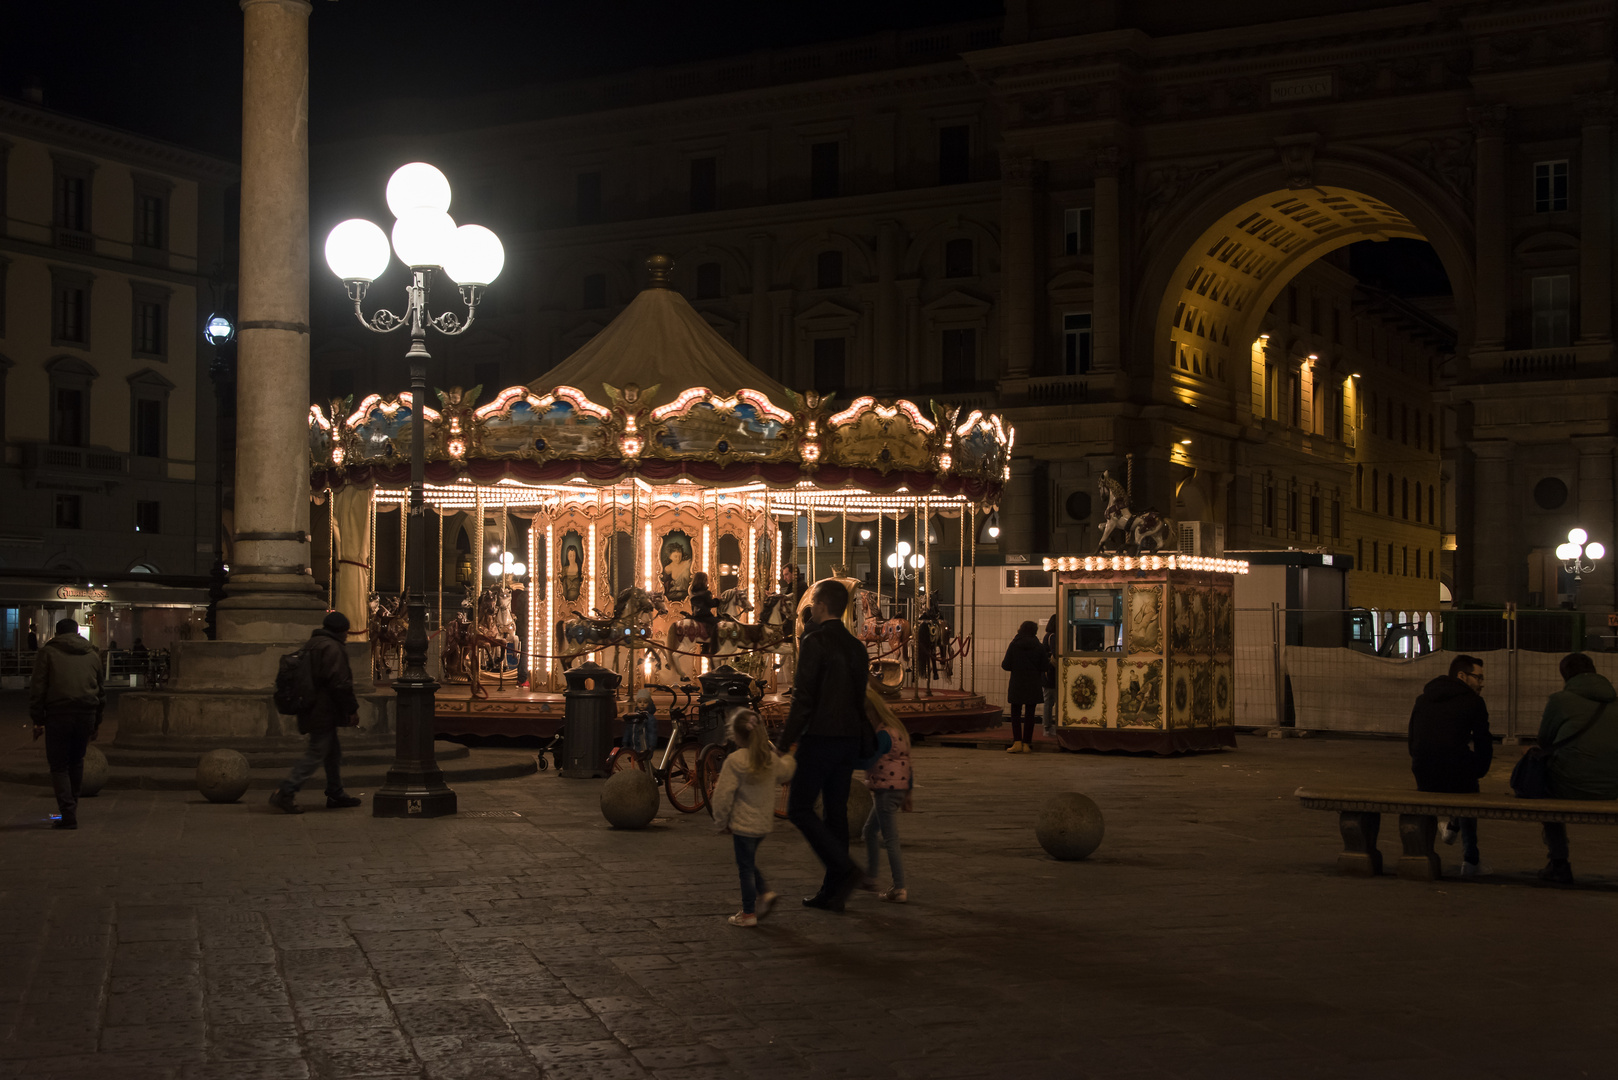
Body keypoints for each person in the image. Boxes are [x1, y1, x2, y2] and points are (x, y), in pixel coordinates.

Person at [781, 578, 870, 911]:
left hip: (820, 736)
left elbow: (803, 698)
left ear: (820, 605)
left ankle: (844, 870)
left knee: (799, 808)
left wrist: (784, 740)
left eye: (813, 603)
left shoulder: (815, 642)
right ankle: (833, 892)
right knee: (836, 814)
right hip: (848, 738)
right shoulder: (856, 647)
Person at [269, 612, 364, 814]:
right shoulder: (332, 647)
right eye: (346, 631)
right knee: (316, 752)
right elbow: (340, 683)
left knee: (332, 753)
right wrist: (351, 709)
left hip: (311, 707)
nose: (347, 635)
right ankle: (286, 791)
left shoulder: (313, 644)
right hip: (323, 710)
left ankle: (336, 793)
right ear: (340, 630)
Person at [1535, 652, 1618, 884]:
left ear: (1566, 676)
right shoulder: (1614, 701)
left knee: (1543, 787)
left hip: (1570, 785)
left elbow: (1545, 740)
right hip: (1613, 786)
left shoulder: (1560, 701)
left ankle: (1559, 862)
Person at [710, 708, 797, 927]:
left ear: (736, 735)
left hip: (742, 823)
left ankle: (749, 913)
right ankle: (764, 894)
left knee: (745, 868)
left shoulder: (735, 760)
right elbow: (786, 771)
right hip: (763, 824)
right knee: (748, 862)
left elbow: (722, 795)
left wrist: (721, 821)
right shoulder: (767, 759)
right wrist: (788, 755)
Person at [1407, 653, 1493, 875]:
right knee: (1468, 790)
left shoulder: (1423, 699)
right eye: (1479, 678)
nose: (1482, 684)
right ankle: (1471, 861)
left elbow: (1413, 739)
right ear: (1462, 675)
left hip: (1423, 771)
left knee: (1457, 773)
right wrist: (1480, 770)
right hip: (1458, 773)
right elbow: (1484, 742)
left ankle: (1425, 851)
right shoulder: (1474, 702)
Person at [29, 618, 104, 830]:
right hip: (86, 712)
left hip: (59, 713)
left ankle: (67, 813)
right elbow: (101, 689)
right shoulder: (92, 654)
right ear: (77, 632)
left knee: (59, 765)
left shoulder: (47, 653)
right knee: (76, 761)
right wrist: (97, 721)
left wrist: (37, 720)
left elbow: (38, 688)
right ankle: (71, 808)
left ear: (57, 632)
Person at [859, 686, 913, 903]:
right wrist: (908, 793)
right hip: (897, 789)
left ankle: (899, 887)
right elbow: (908, 763)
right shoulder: (896, 730)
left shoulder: (882, 735)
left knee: (890, 839)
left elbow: (869, 760)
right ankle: (871, 876)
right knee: (869, 831)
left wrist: (846, 761)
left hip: (885, 791)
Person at [1001, 620, 1049, 754]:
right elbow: (1045, 666)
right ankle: (1027, 744)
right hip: (1033, 684)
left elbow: (1005, 665)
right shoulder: (1039, 646)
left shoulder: (1014, 645)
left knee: (1015, 714)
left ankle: (1017, 743)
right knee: (1030, 715)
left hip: (1017, 683)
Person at [687, 571, 719, 655]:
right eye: (706, 580)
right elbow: (711, 604)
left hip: (696, 616)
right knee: (718, 624)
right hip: (705, 615)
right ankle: (709, 647)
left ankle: (705, 646)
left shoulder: (692, 592)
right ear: (704, 581)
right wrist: (718, 600)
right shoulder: (706, 593)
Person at [1041, 614, 1060, 736]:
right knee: (1049, 700)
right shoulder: (1053, 637)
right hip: (1052, 673)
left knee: (1048, 700)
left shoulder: (1047, 636)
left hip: (1047, 672)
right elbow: (1056, 654)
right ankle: (1047, 728)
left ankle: (1047, 727)